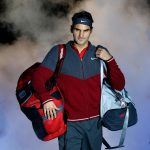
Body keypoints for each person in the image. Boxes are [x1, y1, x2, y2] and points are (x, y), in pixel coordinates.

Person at [32, 10, 125, 150]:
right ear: (72, 29)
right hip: (69, 125)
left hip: (95, 124)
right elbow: (37, 79)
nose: (81, 35)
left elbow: (119, 85)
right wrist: (46, 99)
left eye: (85, 30)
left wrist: (110, 59)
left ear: (91, 31)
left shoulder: (99, 53)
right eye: (77, 30)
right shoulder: (59, 52)